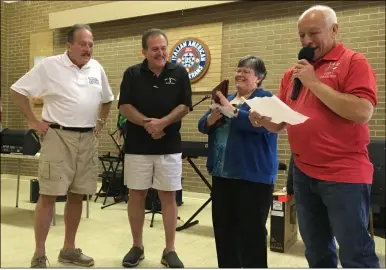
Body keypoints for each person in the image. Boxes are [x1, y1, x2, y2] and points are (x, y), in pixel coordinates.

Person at [249, 5, 380, 268]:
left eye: (313, 33)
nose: (307, 41)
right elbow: (282, 122)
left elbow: (363, 112)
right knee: (316, 249)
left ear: (334, 30)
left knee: (355, 252)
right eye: (301, 35)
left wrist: (315, 84)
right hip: (303, 172)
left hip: (344, 173)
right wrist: (264, 119)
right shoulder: (294, 73)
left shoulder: (353, 62)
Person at [10, 24, 114, 268]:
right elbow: (17, 91)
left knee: (77, 195)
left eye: (90, 44)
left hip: (87, 139)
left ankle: (68, 249)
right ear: (69, 45)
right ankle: (39, 254)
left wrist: (99, 123)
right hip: (58, 136)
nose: (87, 48)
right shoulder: (50, 66)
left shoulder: (96, 68)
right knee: (48, 195)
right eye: (82, 43)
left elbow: (108, 100)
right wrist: (33, 121)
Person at [118, 28, 192, 268]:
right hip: (138, 146)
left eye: (163, 48)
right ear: (144, 51)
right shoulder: (131, 73)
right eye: (155, 49)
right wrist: (147, 123)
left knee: (168, 197)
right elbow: (124, 106)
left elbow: (185, 105)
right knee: (136, 195)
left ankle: (170, 250)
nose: (160, 53)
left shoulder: (179, 72)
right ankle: (137, 246)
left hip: (169, 146)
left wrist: (163, 123)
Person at [198, 56, 278, 268]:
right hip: (222, 175)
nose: (239, 74)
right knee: (224, 233)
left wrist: (232, 112)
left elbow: (260, 126)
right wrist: (210, 119)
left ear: (258, 78)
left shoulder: (265, 99)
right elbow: (202, 125)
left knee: (251, 234)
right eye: (238, 70)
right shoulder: (229, 97)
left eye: (246, 71)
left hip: (252, 178)